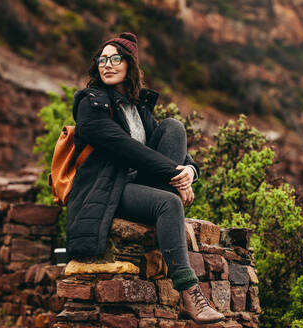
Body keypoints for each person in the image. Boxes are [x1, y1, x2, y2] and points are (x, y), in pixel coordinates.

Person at [66, 32, 225, 324]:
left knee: (173, 127)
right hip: (107, 190)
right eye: (102, 59)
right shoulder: (91, 104)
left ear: (130, 66)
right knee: (169, 204)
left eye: (116, 59)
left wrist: (190, 171)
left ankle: (175, 189)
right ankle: (190, 294)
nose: (107, 65)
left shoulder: (137, 107)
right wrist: (174, 174)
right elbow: (125, 148)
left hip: (137, 184)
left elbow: (161, 146)